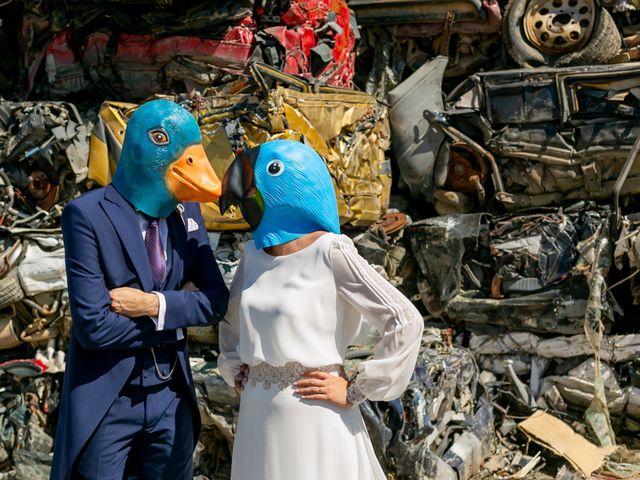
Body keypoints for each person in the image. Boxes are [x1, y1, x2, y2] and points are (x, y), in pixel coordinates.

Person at [217, 139, 424, 480]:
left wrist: (357, 390)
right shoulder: (251, 256)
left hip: (313, 413)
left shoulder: (331, 251)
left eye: (268, 171)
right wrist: (233, 365)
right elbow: (231, 320)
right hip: (256, 413)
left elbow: (404, 320)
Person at [50, 100, 230, 480]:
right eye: (163, 140)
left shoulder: (188, 214)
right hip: (108, 400)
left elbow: (216, 301)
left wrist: (153, 305)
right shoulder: (86, 214)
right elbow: (94, 328)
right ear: (135, 145)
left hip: (172, 397)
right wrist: (180, 315)